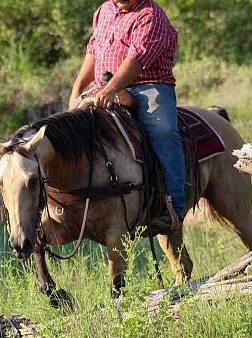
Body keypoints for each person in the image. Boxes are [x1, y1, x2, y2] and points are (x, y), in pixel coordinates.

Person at [69, 0, 186, 230]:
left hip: (147, 86)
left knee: (163, 131)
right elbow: (93, 52)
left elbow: (136, 61)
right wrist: (76, 92)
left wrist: (111, 89)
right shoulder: (104, 10)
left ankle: (173, 207)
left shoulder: (151, 15)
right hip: (104, 86)